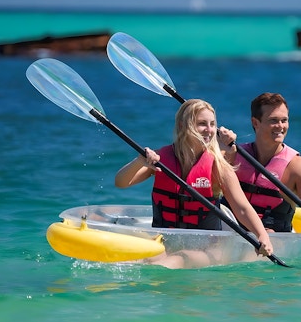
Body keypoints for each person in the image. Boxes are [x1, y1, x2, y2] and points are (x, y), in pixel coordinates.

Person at [115, 99, 274, 267]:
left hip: (208, 251)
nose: (210, 130)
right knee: (150, 257)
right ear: (183, 126)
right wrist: (139, 161)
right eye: (202, 124)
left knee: (180, 257)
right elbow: (121, 182)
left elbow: (242, 208)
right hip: (165, 244)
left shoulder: (217, 166)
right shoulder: (162, 159)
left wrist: (262, 236)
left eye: (212, 124)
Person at [219, 92, 301, 233]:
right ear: (255, 123)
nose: (280, 126)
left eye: (284, 120)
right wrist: (219, 145)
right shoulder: (234, 154)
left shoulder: (296, 166)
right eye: (273, 120)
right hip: (230, 229)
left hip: (273, 238)